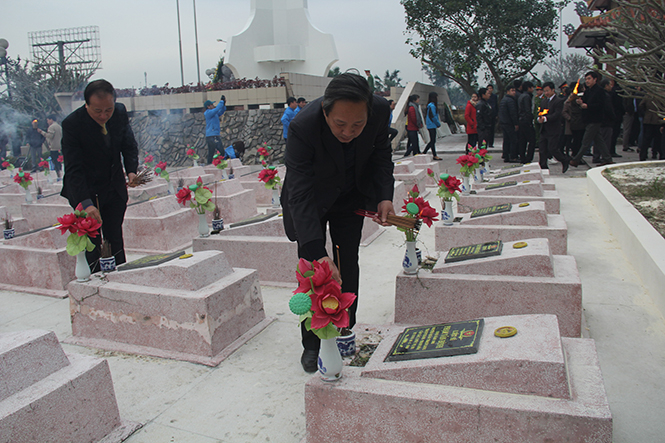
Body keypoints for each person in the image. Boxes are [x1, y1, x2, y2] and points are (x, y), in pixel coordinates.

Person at [281, 73, 395, 373]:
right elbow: (300, 192)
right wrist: (318, 251)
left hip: (350, 197)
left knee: (346, 262)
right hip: (312, 200)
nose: (349, 132)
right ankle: (312, 343)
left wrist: (384, 196)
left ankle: (345, 329)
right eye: (340, 125)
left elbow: (382, 154)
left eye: (358, 125)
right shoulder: (302, 126)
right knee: (312, 270)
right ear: (325, 111)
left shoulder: (381, 111)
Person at [60, 79, 139, 272]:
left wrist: (131, 170)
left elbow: (128, 144)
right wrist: (85, 203)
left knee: (114, 237)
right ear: (86, 104)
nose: (104, 115)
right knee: (92, 242)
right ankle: (96, 284)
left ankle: (121, 278)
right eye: (97, 111)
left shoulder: (119, 113)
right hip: (86, 190)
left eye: (108, 110)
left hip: (114, 187)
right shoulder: (72, 125)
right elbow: (73, 169)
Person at [570, 72, 614, 168]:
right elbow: (585, 102)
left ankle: (576, 159)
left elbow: (600, 105)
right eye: (586, 79)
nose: (587, 81)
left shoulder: (600, 91)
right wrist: (580, 103)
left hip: (595, 119)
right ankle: (607, 158)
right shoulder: (588, 91)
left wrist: (588, 106)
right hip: (588, 119)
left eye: (589, 79)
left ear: (595, 79)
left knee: (586, 141)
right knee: (599, 140)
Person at [537, 82, 569, 173]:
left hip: (554, 129)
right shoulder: (543, 101)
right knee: (542, 149)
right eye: (544, 91)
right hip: (544, 129)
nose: (546, 93)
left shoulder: (558, 101)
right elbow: (540, 112)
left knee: (552, 149)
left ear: (553, 90)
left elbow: (557, 114)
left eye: (547, 91)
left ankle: (564, 159)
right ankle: (543, 167)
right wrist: (539, 118)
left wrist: (546, 118)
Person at [638, 96, 664, 161]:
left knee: (646, 139)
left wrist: (645, 114)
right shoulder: (662, 96)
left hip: (648, 120)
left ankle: (643, 155)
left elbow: (640, 105)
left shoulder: (648, 95)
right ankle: (660, 155)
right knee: (659, 139)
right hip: (658, 120)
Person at [498, 86, 519, 162]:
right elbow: (513, 113)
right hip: (509, 123)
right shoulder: (510, 101)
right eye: (512, 90)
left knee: (506, 140)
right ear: (508, 92)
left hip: (503, 122)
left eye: (514, 90)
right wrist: (516, 123)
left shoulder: (504, 100)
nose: (514, 92)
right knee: (513, 140)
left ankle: (506, 156)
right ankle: (513, 156)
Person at [38, 114, 63, 178]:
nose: (47, 122)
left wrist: (42, 132)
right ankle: (61, 173)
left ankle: (58, 175)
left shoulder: (51, 127)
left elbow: (50, 136)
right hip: (60, 146)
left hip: (54, 147)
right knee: (60, 162)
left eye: (48, 120)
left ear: (51, 119)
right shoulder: (59, 126)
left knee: (55, 162)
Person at [204, 96, 227, 164]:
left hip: (213, 135)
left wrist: (223, 105)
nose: (213, 105)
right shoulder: (208, 113)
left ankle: (210, 164)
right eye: (212, 104)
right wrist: (221, 101)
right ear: (208, 106)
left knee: (212, 152)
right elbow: (217, 109)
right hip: (212, 135)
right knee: (221, 151)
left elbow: (221, 111)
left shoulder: (214, 114)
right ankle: (221, 164)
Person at [517, 81, 536, 164]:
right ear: (529, 88)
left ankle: (522, 156)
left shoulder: (521, 96)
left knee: (522, 140)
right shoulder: (527, 97)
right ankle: (529, 157)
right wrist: (531, 118)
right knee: (532, 140)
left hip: (521, 120)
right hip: (526, 121)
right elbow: (528, 110)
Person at [424, 91, 442, 160]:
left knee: (432, 140)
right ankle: (428, 153)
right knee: (432, 141)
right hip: (432, 125)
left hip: (431, 124)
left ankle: (428, 153)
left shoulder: (430, 105)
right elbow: (433, 116)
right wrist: (438, 123)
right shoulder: (432, 106)